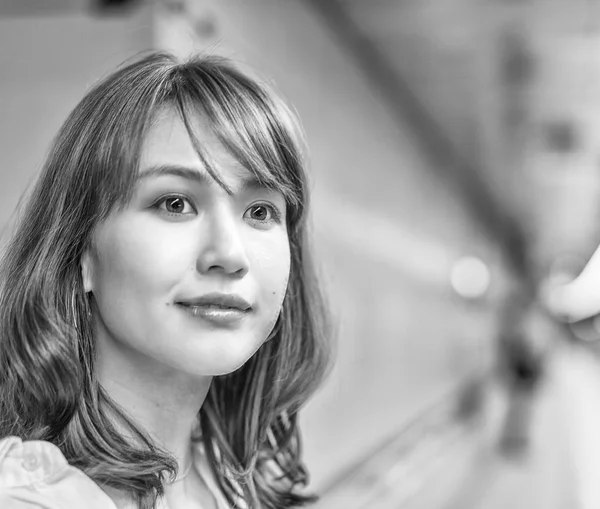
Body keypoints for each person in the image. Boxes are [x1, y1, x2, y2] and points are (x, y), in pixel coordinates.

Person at [0, 52, 331, 509]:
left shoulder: (232, 480)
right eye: (175, 203)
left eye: (260, 211)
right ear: (80, 252)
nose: (229, 255)